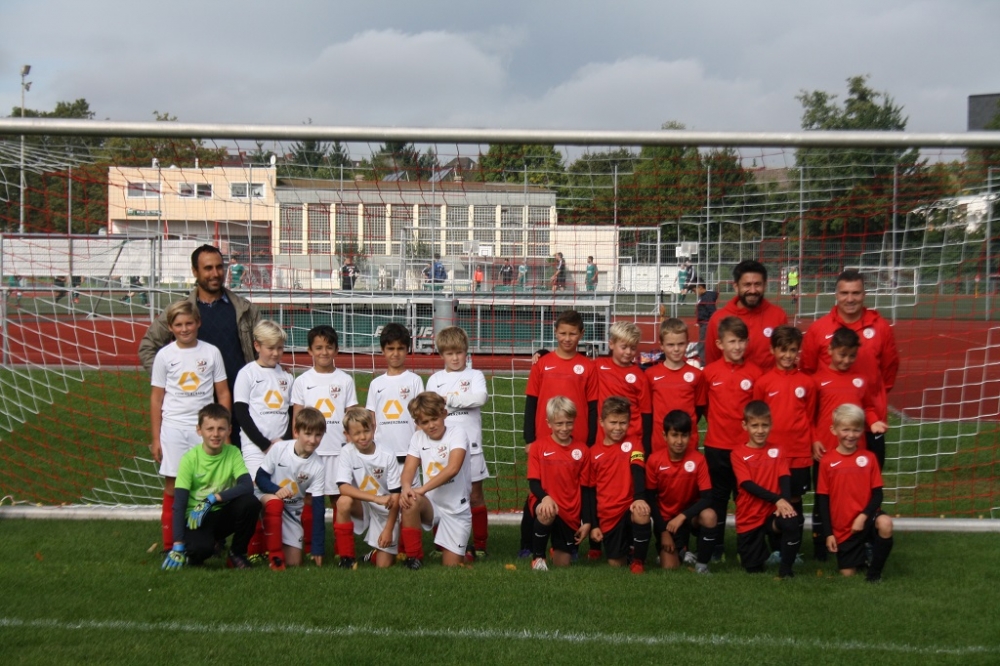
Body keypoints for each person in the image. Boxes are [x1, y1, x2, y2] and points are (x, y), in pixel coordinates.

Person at [139, 244, 261, 448]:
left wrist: (273, 369)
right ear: (195, 271)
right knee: (194, 465)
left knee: (239, 463)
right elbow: (148, 346)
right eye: (208, 268)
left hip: (240, 403)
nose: (215, 273)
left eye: (219, 267)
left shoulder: (245, 309)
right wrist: (170, 377)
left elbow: (265, 347)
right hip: (196, 408)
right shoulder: (182, 310)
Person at [150, 300, 230, 553]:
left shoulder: (211, 352)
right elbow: (156, 398)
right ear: (170, 327)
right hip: (173, 428)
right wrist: (156, 438)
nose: (184, 329)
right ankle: (170, 544)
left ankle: (209, 538)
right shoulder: (164, 355)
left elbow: (223, 393)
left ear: (198, 323)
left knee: (208, 484)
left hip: (205, 430)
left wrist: (224, 432)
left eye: (189, 323)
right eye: (178, 324)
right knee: (173, 485)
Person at [800, 269, 899, 468]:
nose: (850, 299)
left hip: (869, 422)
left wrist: (867, 395)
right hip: (831, 427)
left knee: (868, 479)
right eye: (845, 293)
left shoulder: (880, 327)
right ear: (836, 295)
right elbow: (807, 372)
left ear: (864, 294)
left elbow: (889, 369)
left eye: (856, 293)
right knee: (828, 480)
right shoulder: (818, 329)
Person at [521, 310, 598, 557]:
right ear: (555, 332)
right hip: (544, 439)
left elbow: (593, 406)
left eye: (572, 333)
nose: (567, 338)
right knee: (537, 491)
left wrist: (591, 441)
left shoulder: (588, 367)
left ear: (581, 334)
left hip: (576, 440)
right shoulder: (542, 364)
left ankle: (566, 543)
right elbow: (531, 402)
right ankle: (527, 545)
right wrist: (529, 439)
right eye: (563, 333)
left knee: (573, 491)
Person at [810, 326, 888, 560]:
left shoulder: (860, 380)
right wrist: (814, 440)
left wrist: (873, 422)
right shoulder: (817, 380)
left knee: (857, 498)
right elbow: (809, 415)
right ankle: (821, 544)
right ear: (830, 350)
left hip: (855, 452)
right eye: (842, 354)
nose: (846, 360)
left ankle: (860, 542)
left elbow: (868, 407)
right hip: (825, 451)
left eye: (851, 356)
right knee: (823, 498)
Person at [161, 404, 260, 570]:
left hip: (221, 513)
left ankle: (236, 553)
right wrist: (177, 543)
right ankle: (193, 548)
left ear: (229, 430)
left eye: (221, 428)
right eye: (210, 429)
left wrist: (212, 499)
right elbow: (179, 504)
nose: (215, 434)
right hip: (195, 519)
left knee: (251, 503)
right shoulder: (189, 460)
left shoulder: (233, 452)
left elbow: (246, 486)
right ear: (199, 430)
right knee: (200, 551)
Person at [290, 325, 358, 555]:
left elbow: (352, 417)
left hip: (338, 451)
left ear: (336, 350)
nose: (324, 352)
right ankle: (310, 547)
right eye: (318, 348)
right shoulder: (302, 381)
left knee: (339, 499)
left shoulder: (345, 380)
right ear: (310, 351)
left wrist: (352, 445)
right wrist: (299, 447)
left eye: (329, 347)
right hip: (312, 452)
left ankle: (342, 548)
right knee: (309, 499)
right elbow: (297, 417)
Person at [753, 324, 816, 562]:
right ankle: (776, 550)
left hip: (798, 454)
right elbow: (757, 417)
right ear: (772, 350)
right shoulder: (763, 383)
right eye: (783, 350)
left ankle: (793, 550)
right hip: (771, 456)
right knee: (773, 500)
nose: (788, 355)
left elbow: (809, 417)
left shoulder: (807, 383)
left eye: (793, 350)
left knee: (795, 501)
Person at [702, 316, 762, 562]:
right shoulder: (709, 373)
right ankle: (715, 547)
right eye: (732, 341)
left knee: (745, 499)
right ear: (720, 344)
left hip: (746, 449)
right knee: (718, 498)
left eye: (741, 341)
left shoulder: (755, 373)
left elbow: (758, 411)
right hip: (716, 447)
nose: (737, 346)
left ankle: (745, 547)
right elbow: (704, 406)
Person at [427, 326, 491, 558]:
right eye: (449, 353)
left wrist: (449, 400)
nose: (455, 358)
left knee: (475, 496)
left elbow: (480, 398)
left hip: (471, 447)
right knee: (441, 495)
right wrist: (460, 401)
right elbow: (431, 409)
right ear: (441, 355)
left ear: (466, 352)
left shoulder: (475, 376)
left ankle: (480, 544)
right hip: (442, 447)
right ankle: (441, 544)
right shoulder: (435, 379)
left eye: (459, 352)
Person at [816, 404, 894, 582]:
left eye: (856, 430)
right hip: (844, 528)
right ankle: (863, 552)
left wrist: (863, 516)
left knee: (885, 523)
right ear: (834, 430)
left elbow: (878, 495)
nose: (851, 435)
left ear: (862, 431)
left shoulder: (869, 458)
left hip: (866, 519)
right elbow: (822, 499)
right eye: (846, 430)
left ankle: (874, 574)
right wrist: (828, 534)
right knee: (847, 574)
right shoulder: (827, 462)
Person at [398, 392, 473, 569]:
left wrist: (422, 489)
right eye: (425, 422)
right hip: (432, 505)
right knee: (409, 500)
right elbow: (408, 469)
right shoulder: (417, 438)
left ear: (444, 414)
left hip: (456, 509)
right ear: (417, 423)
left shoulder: (457, 433)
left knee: (451, 567)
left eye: (434, 419)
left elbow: (453, 469)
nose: (431, 425)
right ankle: (413, 558)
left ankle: (465, 553)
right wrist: (406, 487)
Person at [731, 401, 802, 578]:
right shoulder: (738, 454)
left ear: (771, 425)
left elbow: (784, 478)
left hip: (772, 513)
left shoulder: (778, 450)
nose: (760, 430)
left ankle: (786, 571)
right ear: (745, 426)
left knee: (791, 520)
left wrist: (785, 503)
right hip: (750, 515)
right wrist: (777, 499)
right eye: (755, 425)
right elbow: (747, 485)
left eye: (764, 425)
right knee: (753, 569)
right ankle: (755, 554)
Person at [583, 397, 652, 574]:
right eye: (613, 422)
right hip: (608, 515)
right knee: (616, 564)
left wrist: (639, 498)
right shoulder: (593, 453)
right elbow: (590, 492)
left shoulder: (634, 442)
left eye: (623, 423)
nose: (618, 428)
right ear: (601, 422)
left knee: (641, 512)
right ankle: (628, 550)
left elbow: (638, 470)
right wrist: (594, 525)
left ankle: (638, 561)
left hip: (629, 506)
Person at [255, 406, 328, 570]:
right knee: (275, 503)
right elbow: (260, 478)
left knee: (294, 563)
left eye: (318, 435)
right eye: (308, 434)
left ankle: (273, 542)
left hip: (292, 512)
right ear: (296, 432)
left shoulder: (318, 466)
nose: (313, 440)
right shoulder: (279, 449)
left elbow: (318, 508)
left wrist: (318, 547)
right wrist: (276, 489)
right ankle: (273, 555)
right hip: (267, 498)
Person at [525, 397, 592, 570]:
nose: (564, 428)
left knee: (563, 565)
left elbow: (585, 489)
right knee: (547, 511)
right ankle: (538, 558)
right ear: (549, 423)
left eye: (569, 423)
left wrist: (587, 521)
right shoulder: (538, 447)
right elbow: (533, 483)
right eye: (559, 423)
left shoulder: (582, 450)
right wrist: (545, 498)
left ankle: (556, 549)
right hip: (544, 500)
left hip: (570, 509)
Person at [645, 410, 715, 574]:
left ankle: (702, 565)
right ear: (665, 435)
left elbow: (707, 498)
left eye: (684, 436)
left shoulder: (698, 459)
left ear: (690, 436)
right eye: (674, 435)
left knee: (710, 515)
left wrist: (682, 516)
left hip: (690, 516)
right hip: (666, 520)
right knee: (669, 567)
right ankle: (682, 551)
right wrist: (663, 532)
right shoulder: (654, 460)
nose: (679, 441)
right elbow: (650, 499)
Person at [334, 406, 402, 569]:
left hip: (386, 508)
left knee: (383, 566)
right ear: (347, 435)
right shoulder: (346, 451)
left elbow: (395, 496)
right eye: (356, 433)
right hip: (364, 505)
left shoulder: (387, 454)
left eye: (366, 431)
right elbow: (343, 488)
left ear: (373, 427)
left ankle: (376, 553)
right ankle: (346, 558)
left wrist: (388, 529)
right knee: (343, 501)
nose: (363, 437)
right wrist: (375, 498)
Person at [704, 260, 788, 371]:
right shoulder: (718, 319)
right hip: (732, 382)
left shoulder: (778, 316)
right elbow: (712, 363)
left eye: (757, 284)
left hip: (769, 382)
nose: (753, 290)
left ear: (765, 285)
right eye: (747, 285)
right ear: (736, 286)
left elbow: (785, 357)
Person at [365, 323, 425, 467]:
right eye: (391, 349)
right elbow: (371, 419)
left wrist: (419, 447)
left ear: (407, 350)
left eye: (400, 349)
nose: (395, 354)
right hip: (382, 451)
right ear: (382, 350)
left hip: (409, 451)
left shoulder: (414, 380)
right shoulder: (376, 384)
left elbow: (422, 417)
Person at [647, 318, 707, 455]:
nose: (676, 349)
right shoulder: (651, 375)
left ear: (687, 343)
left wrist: (684, 426)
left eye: (681, 344)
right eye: (670, 345)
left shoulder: (697, 375)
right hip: (660, 443)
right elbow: (648, 410)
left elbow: (698, 408)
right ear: (662, 345)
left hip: (688, 442)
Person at [694, 282, 718, 365]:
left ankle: (704, 363)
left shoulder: (707, 297)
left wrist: (710, 323)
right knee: (704, 343)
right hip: (704, 323)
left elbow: (712, 311)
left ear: (700, 287)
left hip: (706, 323)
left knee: (702, 343)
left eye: (694, 290)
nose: (694, 293)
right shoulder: (704, 297)